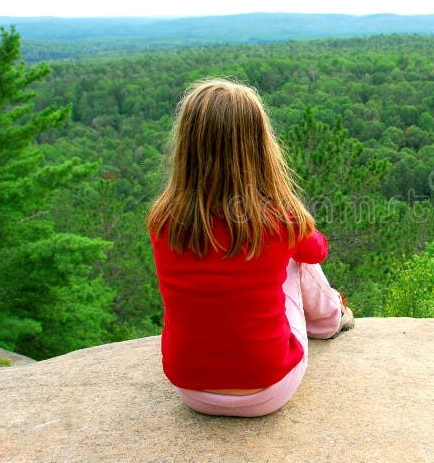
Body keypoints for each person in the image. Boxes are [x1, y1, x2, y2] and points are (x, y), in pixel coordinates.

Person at [147, 78, 354, 417]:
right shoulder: (278, 219)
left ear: (186, 145)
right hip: (268, 388)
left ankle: (328, 318)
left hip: (190, 389)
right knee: (295, 258)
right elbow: (317, 251)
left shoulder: (163, 220)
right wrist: (294, 217)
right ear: (259, 146)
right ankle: (331, 320)